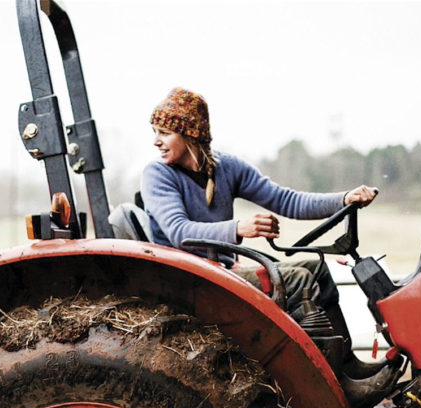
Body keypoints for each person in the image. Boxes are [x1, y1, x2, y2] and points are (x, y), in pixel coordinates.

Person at [141, 87, 378, 339]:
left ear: (191, 135)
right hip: (192, 280)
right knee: (298, 280)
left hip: (220, 270)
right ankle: (321, 372)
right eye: (155, 132)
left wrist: (342, 199)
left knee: (317, 267)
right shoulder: (158, 175)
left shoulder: (227, 168)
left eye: (164, 133)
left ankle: (347, 365)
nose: (156, 141)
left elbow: (286, 201)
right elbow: (180, 232)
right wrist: (238, 228)